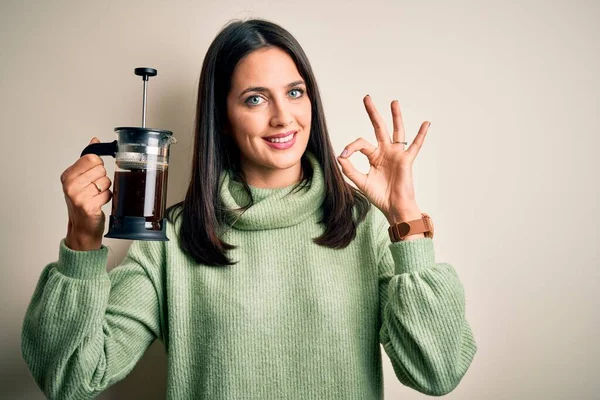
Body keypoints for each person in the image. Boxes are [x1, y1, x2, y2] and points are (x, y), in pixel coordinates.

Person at [21, 18, 477, 399]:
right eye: (255, 99)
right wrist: (82, 239)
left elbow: (437, 372)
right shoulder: (176, 239)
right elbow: (71, 379)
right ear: (222, 116)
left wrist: (404, 216)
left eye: (295, 92)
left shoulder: (366, 226)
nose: (283, 117)